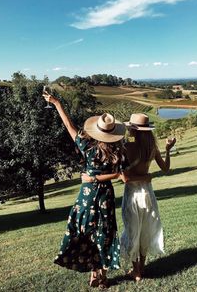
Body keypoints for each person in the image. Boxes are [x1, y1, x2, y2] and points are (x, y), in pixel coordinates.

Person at [43, 90, 127, 288]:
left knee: (87, 232)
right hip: (105, 195)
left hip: (87, 195)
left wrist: (57, 104)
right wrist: (106, 176)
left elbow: (68, 125)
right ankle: (100, 275)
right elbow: (120, 175)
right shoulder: (117, 150)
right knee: (104, 234)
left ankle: (95, 274)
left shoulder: (87, 146)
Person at [120, 113, 176, 281]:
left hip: (132, 194)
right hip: (148, 193)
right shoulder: (152, 149)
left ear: (134, 130)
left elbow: (126, 178)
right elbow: (165, 168)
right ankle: (141, 268)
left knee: (132, 231)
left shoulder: (126, 148)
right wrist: (167, 150)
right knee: (145, 230)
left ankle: (136, 271)